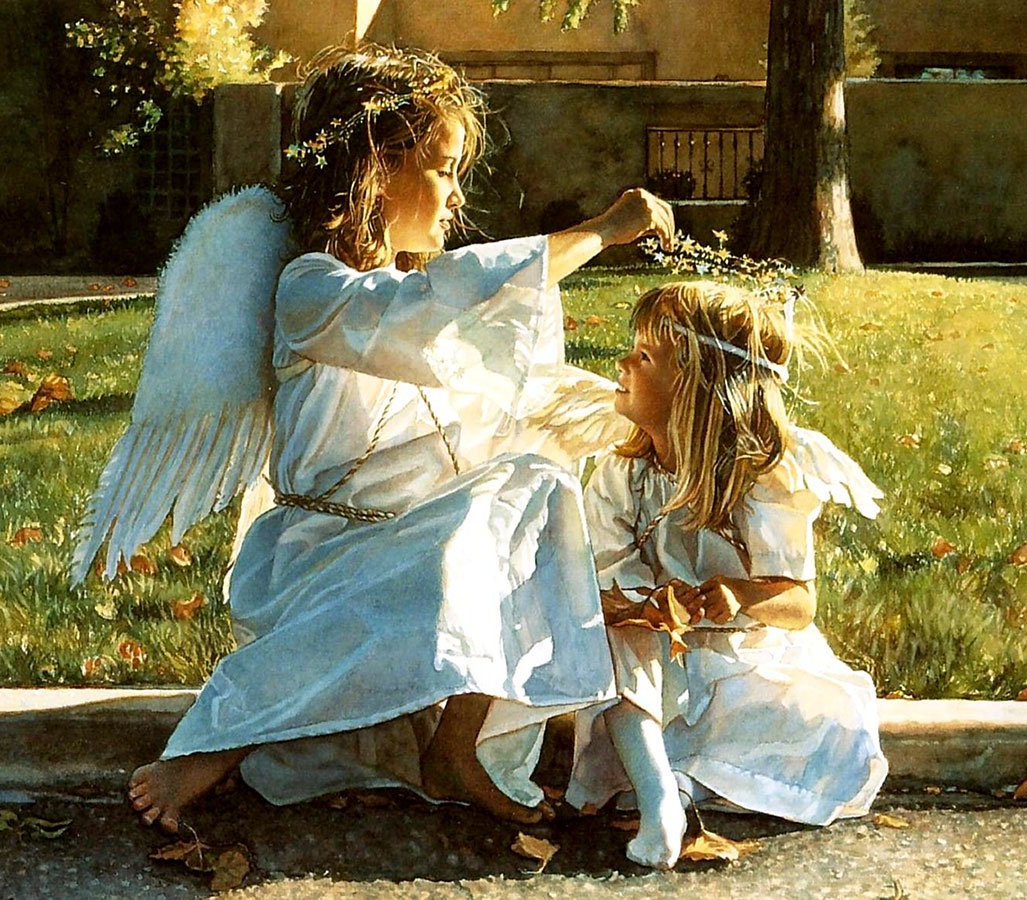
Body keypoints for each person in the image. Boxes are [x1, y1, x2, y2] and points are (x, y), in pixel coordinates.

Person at [73, 44, 675, 833]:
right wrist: (599, 231)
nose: (456, 195)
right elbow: (428, 309)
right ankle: (218, 745)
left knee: (536, 480)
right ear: (374, 169)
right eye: (443, 170)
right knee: (467, 529)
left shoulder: (408, 293)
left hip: (405, 550)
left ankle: (454, 747)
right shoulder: (314, 289)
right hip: (318, 555)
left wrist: (638, 412)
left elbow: (507, 387)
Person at [565, 280, 888, 869]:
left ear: (693, 386)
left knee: (822, 723)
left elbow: (799, 604)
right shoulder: (623, 474)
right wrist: (647, 604)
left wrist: (741, 594)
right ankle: (659, 795)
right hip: (654, 661)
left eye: (644, 356)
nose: (623, 363)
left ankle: (681, 786)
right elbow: (604, 580)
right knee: (615, 642)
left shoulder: (759, 476)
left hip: (744, 655)